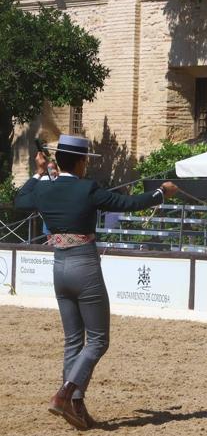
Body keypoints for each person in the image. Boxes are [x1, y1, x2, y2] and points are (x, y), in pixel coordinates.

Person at [14, 135, 178, 430]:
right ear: (80, 161)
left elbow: (20, 199)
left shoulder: (44, 189)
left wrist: (38, 173)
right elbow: (129, 203)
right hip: (84, 265)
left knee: (74, 341)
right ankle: (65, 393)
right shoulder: (87, 187)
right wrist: (161, 194)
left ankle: (76, 405)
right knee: (99, 340)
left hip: (59, 267)